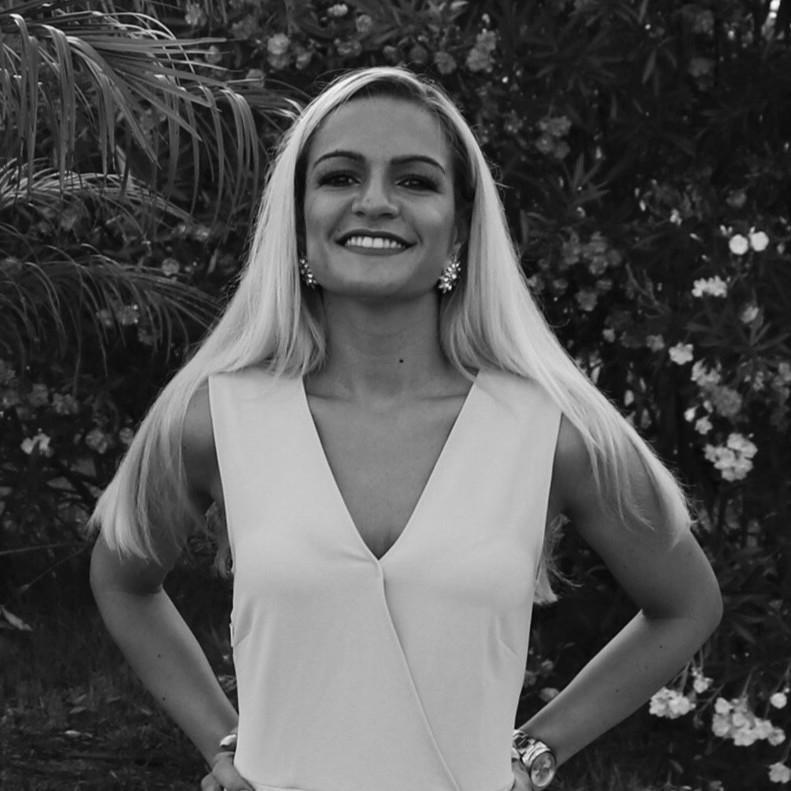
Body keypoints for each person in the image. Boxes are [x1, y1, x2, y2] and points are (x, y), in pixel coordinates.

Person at [88, 66, 722, 791]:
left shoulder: (552, 430)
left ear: (460, 229)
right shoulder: (213, 418)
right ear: (298, 217)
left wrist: (536, 753)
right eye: (339, 176)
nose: (376, 202)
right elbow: (123, 580)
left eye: (416, 181)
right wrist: (222, 742)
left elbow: (686, 604)